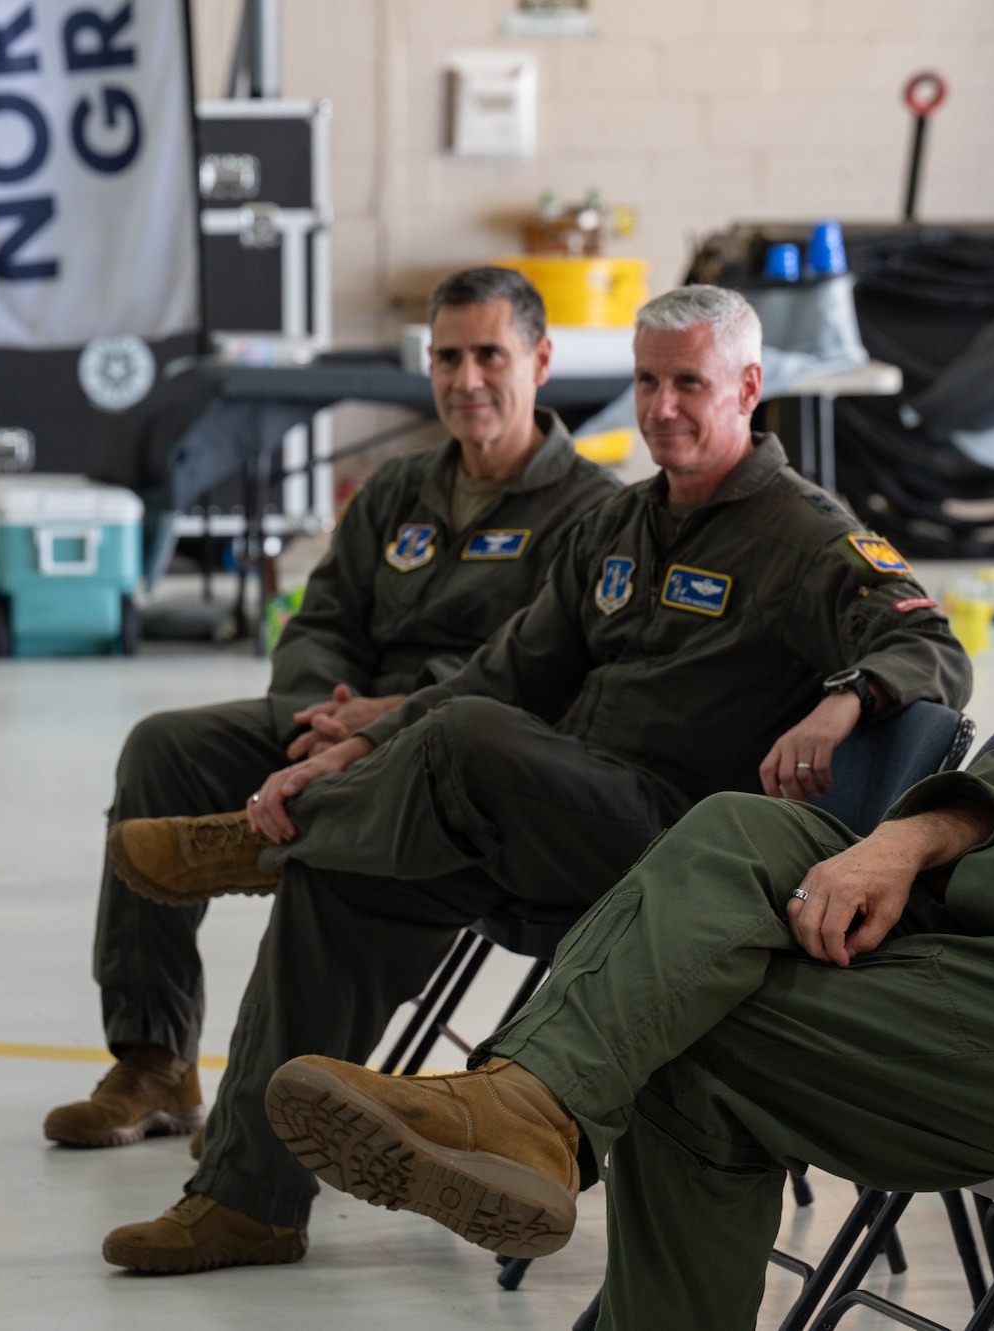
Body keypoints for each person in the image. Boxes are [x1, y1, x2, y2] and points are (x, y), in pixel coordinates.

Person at [240, 306, 994, 1330]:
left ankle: (538, 1112)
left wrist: (941, 881)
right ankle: (527, 1103)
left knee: (695, 1039)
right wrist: (910, 834)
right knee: (745, 829)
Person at [92, 284, 974, 1273]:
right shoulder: (619, 525)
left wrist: (841, 699)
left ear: (748, 388)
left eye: (690, 382)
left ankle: (275, 834)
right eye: (647, 381)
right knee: (340, 881)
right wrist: (357, 750)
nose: (663, 406)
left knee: (468, 736)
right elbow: (502, 672)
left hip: (672, 851)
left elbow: (930, 645)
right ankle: (246, 1201)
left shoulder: (804, 532)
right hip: (553, 815)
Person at [41, 267, 620, 1153]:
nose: (466, 380)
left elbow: (537, 676)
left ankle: (268, 1104)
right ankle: (154, 1061)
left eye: (489, 355)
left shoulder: (595, 517)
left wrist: (386, 717)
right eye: (447, 356)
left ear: (540, 360)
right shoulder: (398, 491)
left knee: (375, 797)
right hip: (334, 724)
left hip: (445, 750)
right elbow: (320, 620)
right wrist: (320, 713)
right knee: (164, 750)